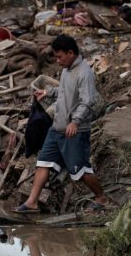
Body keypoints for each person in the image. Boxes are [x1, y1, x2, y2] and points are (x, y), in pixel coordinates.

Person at [14, 34, 109, 213]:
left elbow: (87, 101)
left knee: (79, 170)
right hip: (57, 127)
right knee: (43, 162)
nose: (58, 61)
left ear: (71, 53)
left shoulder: (84, 73)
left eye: (60, 56)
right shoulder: (66, 70)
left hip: (75, 130)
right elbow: (64, 91)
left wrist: (75, 122)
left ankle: (101, 197)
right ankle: (31, 202)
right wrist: (47, 92)